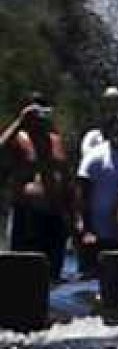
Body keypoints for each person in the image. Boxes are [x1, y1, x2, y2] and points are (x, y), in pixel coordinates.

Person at [0, 93, 74, 280]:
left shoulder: (55, 140)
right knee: (21, 273)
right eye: (35, 113)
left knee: (53, 273)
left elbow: (66, 178)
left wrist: (71, 215)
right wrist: (20, 122)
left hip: (54, 215)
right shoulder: (18, 138)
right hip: (26, 215)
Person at [75, 119, 118, 278]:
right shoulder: (95, 156)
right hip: (98, 232)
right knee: (94, 275)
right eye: (117, 132)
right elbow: (82, 193)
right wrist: (86, 228)